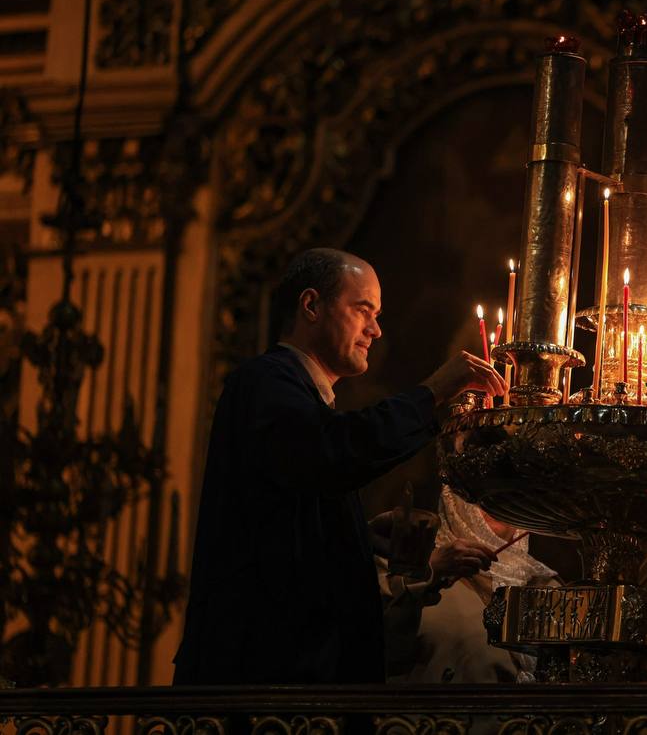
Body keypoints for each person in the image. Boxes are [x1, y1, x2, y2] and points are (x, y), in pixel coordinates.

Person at [174, 248, 507, 685]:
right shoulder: (263, 382)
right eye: (362, 310)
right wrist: (434, 392)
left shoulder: (301, 402)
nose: (376, 329)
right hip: (264, 684)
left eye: (378, 314)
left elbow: (285, 512)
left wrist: (361, 535)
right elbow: (329, 454)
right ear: (311, 306)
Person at [379, 487, 559, 683]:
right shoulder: (397, 566)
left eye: (511, 490)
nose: (494, 502)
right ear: (451, 495)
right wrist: (429, 571)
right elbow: (370, 648)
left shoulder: (548, 588)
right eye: (479, 486)